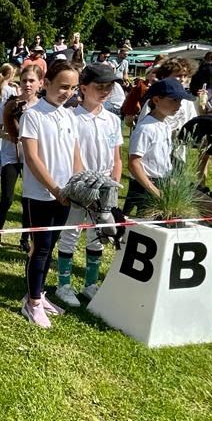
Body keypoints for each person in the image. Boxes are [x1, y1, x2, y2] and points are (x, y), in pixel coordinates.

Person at [18, 60, 82, 328]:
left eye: (73, 88)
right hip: (40, 195)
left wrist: (79, 184)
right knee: (40, 248)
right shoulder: (33, 115)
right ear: (46, 83)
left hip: (65, 195)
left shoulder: (69, 116)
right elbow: (32, 158)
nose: (68, 92)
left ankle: (39, 294)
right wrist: (55, 189)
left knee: (51, 245)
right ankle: (32, 302)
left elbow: (75, 155)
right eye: (63, 86)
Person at [54, 64, 123, 307]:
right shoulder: (71, 117)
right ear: (83, 88)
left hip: (104, 186)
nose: (105, 92)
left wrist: (112, 186)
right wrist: (84, 185)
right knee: (71, 233)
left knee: (97, 235)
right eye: (99, 87)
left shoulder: (112, 120)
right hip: (80, 186)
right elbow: (70, 156)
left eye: (109, 87)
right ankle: (63, 284)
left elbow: (117, 158)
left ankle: (91, 284)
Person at [0, 63, 42, 252]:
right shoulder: (10, 104)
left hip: (32, 158)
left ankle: (24, 239)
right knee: (7, 199)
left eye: (32, 81)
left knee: (28, 200)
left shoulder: (42, 107)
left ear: (40, 83)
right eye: (24, 80)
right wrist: (11, 135)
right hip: (11, 156)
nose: (27, 84)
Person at [122, 78, 192, 216]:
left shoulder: (165, 125)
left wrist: (169, 179)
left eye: (180, 101)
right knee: (141, 225)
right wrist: (153, 190)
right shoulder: (146, 128)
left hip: (161, 182)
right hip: (144, 186)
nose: (178, 105)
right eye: (173, 100)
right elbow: (134, 164)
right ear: (156, 100)